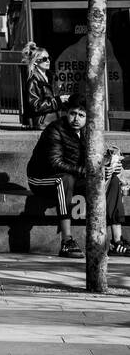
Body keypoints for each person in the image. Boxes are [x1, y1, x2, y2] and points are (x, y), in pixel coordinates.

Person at [26, 94, 128, 258]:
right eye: (73, 113)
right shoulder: (55, 130)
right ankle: (66, 240)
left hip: (74, 177)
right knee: (64, 179)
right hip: (42, 178)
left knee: (114, 181)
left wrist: (109, 167)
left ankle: (117, 241)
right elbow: (55, 164)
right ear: (67, 112)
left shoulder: (88, 131)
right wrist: (90, 172)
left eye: (81, 115)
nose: (76, 119)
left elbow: (96, 158)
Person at [22, 42, 58, 129]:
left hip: (51, 121)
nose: (48, 61)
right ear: (35, 62)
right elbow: (36, 106)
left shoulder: (50, 77)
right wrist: (57, 101)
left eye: (49, 58)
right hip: (40, 123)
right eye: (44, 59)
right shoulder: (33, 81)